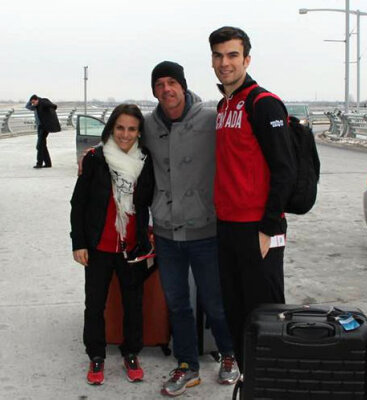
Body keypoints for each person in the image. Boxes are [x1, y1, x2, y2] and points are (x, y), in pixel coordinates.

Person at [143, 61, 239, 397]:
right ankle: (187, 365)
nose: (166, 89)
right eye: (159, 84)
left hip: (205, 229)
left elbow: (241, 150)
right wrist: (94, 155)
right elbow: (120, 142)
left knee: (215, 301)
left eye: (172, 82)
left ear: (183, 86)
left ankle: (229, 354)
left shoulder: (210, 118)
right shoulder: (148, 124)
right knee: (177, 304)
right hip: (166, 231)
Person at [209, 26, 297, 369]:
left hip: (258, 228)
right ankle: (249, 378)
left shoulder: (264, 103)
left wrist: (269, 227)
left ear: (246, 59)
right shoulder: (224, 105)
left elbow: (285, 170)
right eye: (218, 56)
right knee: (236, 311)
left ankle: (272, 381)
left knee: (266, 315)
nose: (225, 63)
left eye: (232, 55)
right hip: (227, 226)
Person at [70, 104, 154, 385]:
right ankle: (96, 354)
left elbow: (151, 199)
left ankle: (131, 352)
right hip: (98, 246)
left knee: (133, 304)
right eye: (120, 128)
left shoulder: (145, 160)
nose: (125, 134)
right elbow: (78, 204)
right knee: (94, 304)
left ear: (139, 132)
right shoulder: (96, 158)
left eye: (132, 129)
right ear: (111, 129)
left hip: (131, 247)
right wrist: (79, 243)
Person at [26, 94, 61, 168]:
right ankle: (48, 163)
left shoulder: (43, 103)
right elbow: (27, 106)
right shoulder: (36, 106)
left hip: (44, 127)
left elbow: (52, 105)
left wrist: (53, 106)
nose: (33, 104)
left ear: (37, 100)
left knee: (39, 146)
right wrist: (31, 100)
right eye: (32, 103)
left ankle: (39, 163)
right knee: (42, 145)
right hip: (40, 127)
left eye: (33, 102)